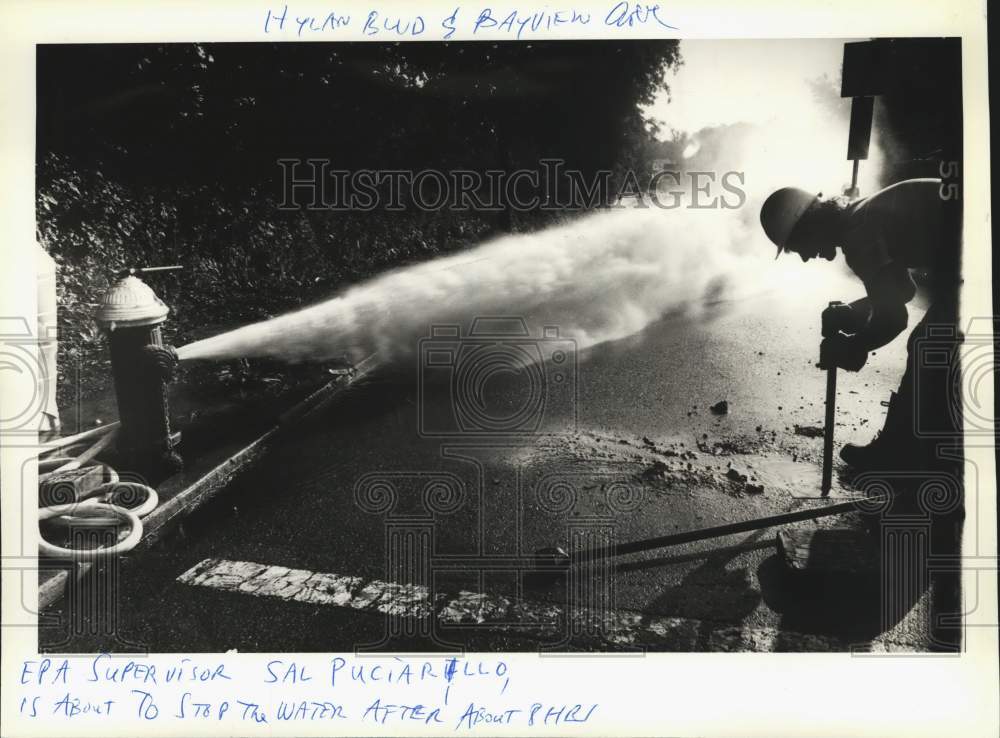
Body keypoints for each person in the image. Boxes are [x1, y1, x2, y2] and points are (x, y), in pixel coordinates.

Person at [759, 178, 961, 471]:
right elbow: (902, 291)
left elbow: (893, 318)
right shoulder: (860, 215)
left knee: (927, 345)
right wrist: (853, 314)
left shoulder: (858, 236)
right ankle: (932, 448)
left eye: (797, 245)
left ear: (810, 225)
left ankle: (899, 454)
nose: (803, 257)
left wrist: (854, 346)